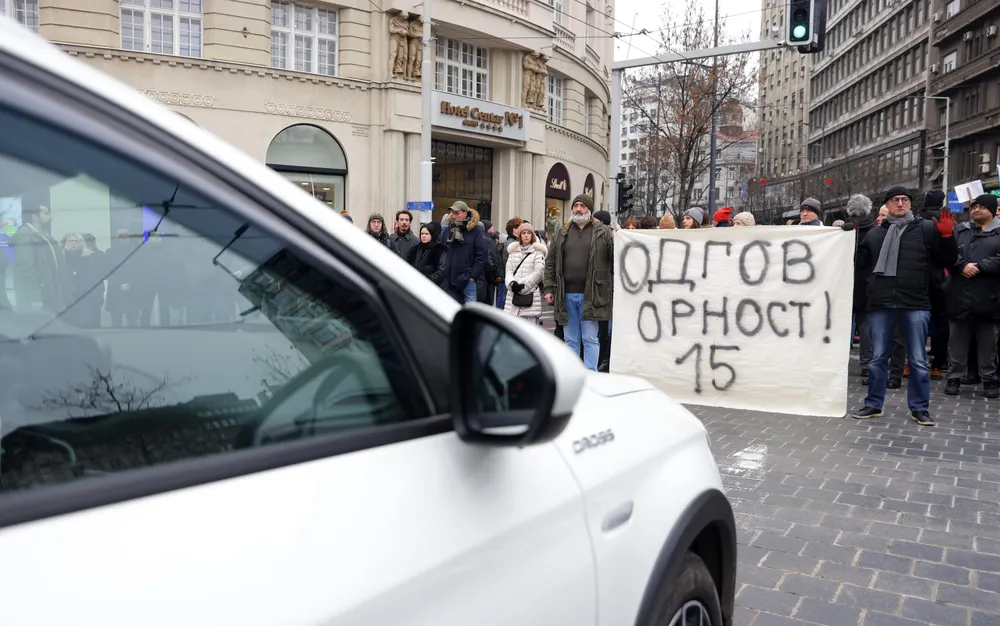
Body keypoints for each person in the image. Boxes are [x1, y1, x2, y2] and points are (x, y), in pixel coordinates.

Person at [851, 185, 957, 426]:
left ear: (910, 204)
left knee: (919, 360)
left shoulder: (927, 229)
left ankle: (919, 408)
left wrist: (948, 238)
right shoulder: (876, 234)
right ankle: (873, 404)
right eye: (895, 200)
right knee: (878, 359)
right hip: (880, 303)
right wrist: (852, 236)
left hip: (915, 302)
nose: (900, 204)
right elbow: (858, 262)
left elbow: (947, 260)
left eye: (905, 200)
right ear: (887, 205)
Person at [543, 194, 614, 371]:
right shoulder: (562, 232)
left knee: (590, 338)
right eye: (576, 205)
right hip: (565, 294)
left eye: (582, 206)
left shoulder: (603, 232)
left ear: (589, 210)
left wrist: (618, 238)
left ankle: (591, 376)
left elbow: (614, 258)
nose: (578, 209)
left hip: (592, 294)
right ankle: (573, 374)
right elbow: (550, 261)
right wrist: (549, 288)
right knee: (570, 339)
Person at [942, 194, 1000, 399]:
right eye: (974, 206)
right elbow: (947, 254)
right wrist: (961, 265)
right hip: (959, 297)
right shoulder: (960, 230)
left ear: (992, 211)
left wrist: (980, 267)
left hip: (989, 299)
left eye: (982, 207)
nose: (976, 210)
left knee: (988, 345)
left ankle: (989, 380)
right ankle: (954, 378)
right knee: (956, 342)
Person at [439, 201, 489, 304]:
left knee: (470, 314)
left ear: (465, 214)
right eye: (452, 213)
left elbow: (482, 255)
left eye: (457, 213)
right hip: (450, 279)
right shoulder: (448, 230)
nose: (454, 216)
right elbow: (441, 250)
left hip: (468, 279)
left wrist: (472, 276)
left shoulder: (476, 231)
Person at [503, 222, 546, 324]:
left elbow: (538, 272)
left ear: (532, 235)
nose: (526, 235)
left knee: (528, 333)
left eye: (528, 233)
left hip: (530, 297)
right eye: (523, 233)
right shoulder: (513, 251)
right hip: (512, 297)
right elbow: (508, 271)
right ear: (519, 235)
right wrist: (512, 284)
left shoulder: (537, 252)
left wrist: (522, 285)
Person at [406, 222, 448, 288]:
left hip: (434, 287)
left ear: (432, 235)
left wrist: (426, 281)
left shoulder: (440, 249)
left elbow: (441, 271)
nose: (423, 236)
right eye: (422, 234)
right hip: (415, 286)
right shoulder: (415, 249)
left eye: (426, 234)